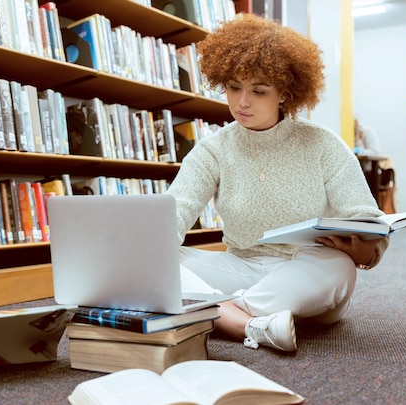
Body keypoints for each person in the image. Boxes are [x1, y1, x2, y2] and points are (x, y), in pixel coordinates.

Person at [165, 14, 389, 352]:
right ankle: (253, 324)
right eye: (233, 87)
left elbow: (368, 228)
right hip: (239, 266)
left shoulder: (323, 145)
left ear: (284, 93)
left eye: (258, 91)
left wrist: (362, 249)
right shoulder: (211, 150)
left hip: (306, 272)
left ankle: (220, 314)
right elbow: (174, 214)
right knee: (156, 259)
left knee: (340, 267)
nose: (242, 102)